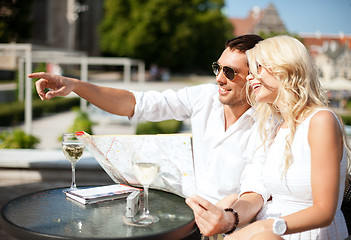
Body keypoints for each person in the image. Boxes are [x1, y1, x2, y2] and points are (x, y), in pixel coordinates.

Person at [29, 35, 262, 202]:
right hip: (192, 211)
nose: (219, 79)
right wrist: (75, 85)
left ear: (254, 77)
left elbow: (259, 192)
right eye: (217, 68)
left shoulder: (270, 122)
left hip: (238, 222)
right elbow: (135, 103)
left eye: (229, 72)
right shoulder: (203, 96)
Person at [186, 35, 349, 239]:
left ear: (284, 69)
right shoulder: (275, 127)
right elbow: (258, 189)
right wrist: (226, 213)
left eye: (258, 69)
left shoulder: (320, 120)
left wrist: (264, 228)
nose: (250, 78)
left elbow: (325, 212)